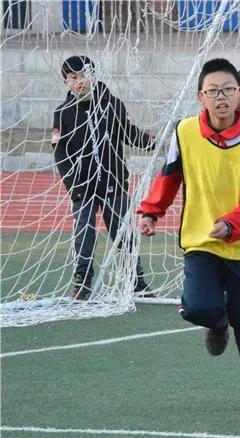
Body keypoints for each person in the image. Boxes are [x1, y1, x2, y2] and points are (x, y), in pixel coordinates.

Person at [136, 58, 240, 413]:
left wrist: (231, 224)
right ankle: (216, 324)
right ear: (201, 96)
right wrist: (152, 211)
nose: (222, 98)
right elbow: (169, 177)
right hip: (201, 242)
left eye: (229, 90)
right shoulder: (184, 132)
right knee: (197, 307)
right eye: (213, 91)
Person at [52, 55, 155, 300]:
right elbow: (60, 153)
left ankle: (136, 280)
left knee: (123, 233)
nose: (79, 82)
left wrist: (153, 142)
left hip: (113, 181)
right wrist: (73, 185)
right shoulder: (62, 113)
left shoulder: (113, 105)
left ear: (94, 76)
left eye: (84, 76)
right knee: (84, 235)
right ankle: (82, 281)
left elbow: (129, 134)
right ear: (66, 81)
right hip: (82, 186)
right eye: (73, 78)